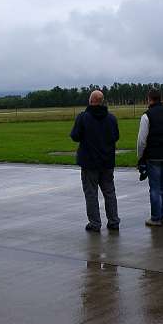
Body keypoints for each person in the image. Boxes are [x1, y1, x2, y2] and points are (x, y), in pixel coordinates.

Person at [70, 90, 121, 232]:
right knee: (109, 192)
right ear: (102, 101)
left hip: (89, 162)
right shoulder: (111, 118)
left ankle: (95, 223)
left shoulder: (83, 117)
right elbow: (116, 136)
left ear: (91, 100)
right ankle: (113, 220)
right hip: (107, 161)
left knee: (91, 193)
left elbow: (75, 136)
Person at [137, 89, 163, 227]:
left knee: (155, 188)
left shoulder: (147, 116)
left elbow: (142, 140)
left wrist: (140, 157)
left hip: (154, 156)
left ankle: (156, 217)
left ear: (149, 99)